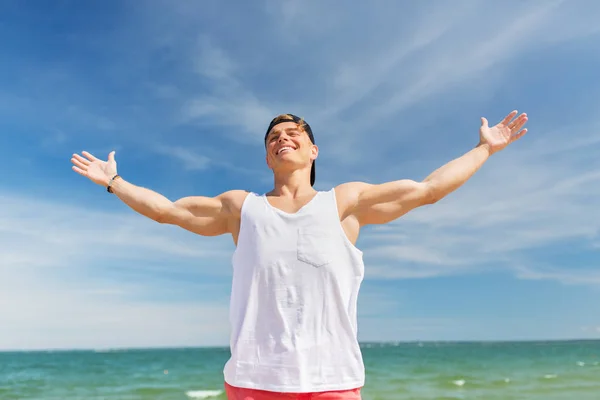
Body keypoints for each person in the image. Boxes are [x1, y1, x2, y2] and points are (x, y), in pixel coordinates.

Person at [71, 111, 528, 400]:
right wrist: (115, 182)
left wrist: (485, 148)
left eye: (294, 133)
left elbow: (427, 190)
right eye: (274, 136)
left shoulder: (345, 203)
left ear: (313, 150)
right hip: (254, 382)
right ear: (268, 156)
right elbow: (169, 212)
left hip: (332, 381)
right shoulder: (240, 207)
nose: (282, 137)